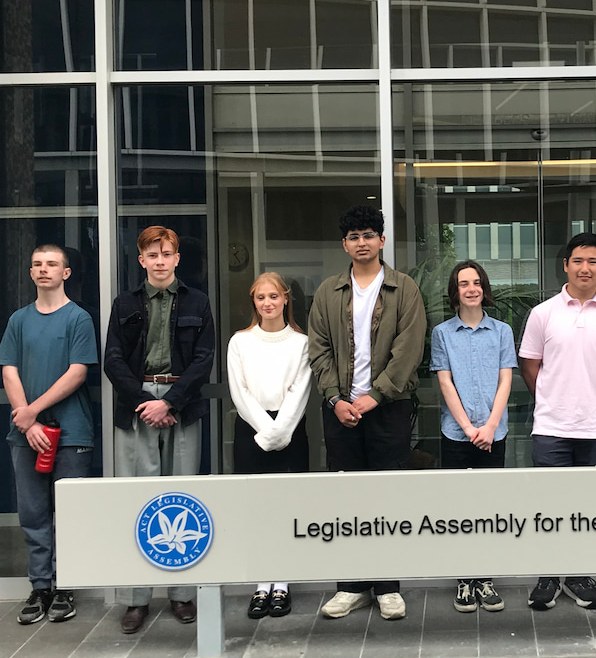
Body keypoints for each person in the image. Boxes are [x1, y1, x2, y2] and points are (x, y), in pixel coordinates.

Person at [308, 204, 427, 621]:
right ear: (345, 245)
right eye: (353, 236)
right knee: (345, 498)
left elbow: (409, 349)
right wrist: (335, 399)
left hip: (388, 409)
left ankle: (389, 586)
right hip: (340, 411)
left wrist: (375, 395)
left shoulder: (404, 288)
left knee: (387, 497)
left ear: (381, 240)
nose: (361, 242)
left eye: (368, 235)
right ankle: (352, 586)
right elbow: (318, 349)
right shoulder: (327, 292)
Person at [104, 226, 215, 634]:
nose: (161, 260)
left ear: (177, 258)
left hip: (180, 405)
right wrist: (146, 402)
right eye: (153, 254)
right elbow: (113, 359)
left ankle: (181, 593)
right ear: (141, 260)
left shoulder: (198, 302)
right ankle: (135, 599)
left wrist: (169, 402)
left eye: (167, 253)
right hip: (137, 407)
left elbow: (205, 359)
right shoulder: (124, 303)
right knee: (138, 499)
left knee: (182, 499)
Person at [519, 232, 596, 611]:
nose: (585, 268)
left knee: (589, 506)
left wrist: (595, 400)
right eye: (578, 261)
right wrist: (555, 399)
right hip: (552, 427)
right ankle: (549, 573)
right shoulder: (543, 313)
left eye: (593, 261)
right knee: (549, 505)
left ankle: (580, 574)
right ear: (565, 265)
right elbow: (530, 366)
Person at [0, 245, 97, 625]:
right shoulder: (18, 321)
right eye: (37, 264)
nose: (44, 270)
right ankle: (40, 587)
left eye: (52, 264)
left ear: (66, 273)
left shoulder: (78, 318)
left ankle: (66, 587)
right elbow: (8, 370)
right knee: (33, 513)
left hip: (71, 431)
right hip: (25, 435)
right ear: (30, 272)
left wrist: (31, 412)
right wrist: (27, 423)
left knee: (68, 513)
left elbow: (77, 373)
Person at [430, 260, 517, 613]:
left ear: (484, 289)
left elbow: (506, 380)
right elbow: (445, 382)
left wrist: (491, 426)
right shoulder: (442, 333)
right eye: (463, 283)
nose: (471, 289)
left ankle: (485, 577)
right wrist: (468, 429)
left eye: (477, 282)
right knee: (459, 508)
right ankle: (464, 579)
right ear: (455, 290)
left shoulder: (502, 331)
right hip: (456, 434)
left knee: (489, 505)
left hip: (494, 431)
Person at [227, 272, 311, 619]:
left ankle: (283, 585)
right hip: (251, 430)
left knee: (287, 509)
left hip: (291, 430)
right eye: (261, 297)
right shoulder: (240, 342)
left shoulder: (301, 342)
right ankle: (262, 586)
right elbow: (240, 392)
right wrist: (267, 432)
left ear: (286, 299)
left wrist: (279, 433)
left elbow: (299, 391)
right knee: (257, 510)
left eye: (274, 296)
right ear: (254, 302)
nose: (268, 303)